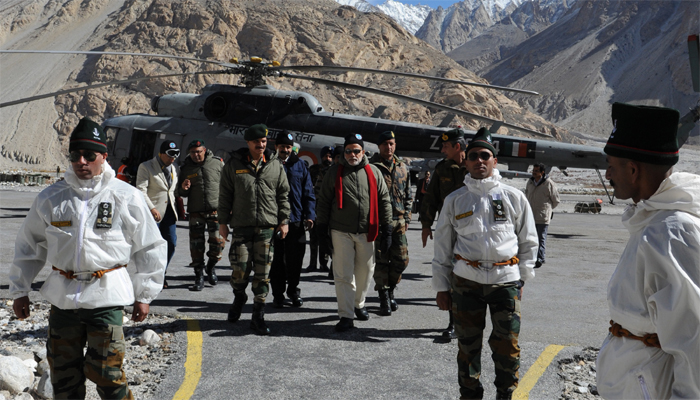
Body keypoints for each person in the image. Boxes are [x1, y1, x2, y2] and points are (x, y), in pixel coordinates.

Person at [10, 117, 166, 400]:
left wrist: (145, 294)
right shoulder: (51, 198)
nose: (81, 161)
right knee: (63, 375)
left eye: (89, 155)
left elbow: (150, 246)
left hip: (105, 299)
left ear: (103, 156)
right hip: (63, 300)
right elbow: (29, 245)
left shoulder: (126, 196)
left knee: (107, 373)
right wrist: (20, 290)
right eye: (74, 155)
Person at [596, 103, 700, 399]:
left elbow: (694, 339)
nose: (607, 175)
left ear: (632, 169)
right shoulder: (653, 220)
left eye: (611, 166)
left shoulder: (671, 232)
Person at [432, 127, 537, 400]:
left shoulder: (514, 197)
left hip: (505, 283)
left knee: (508, 346)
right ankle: (469, 394)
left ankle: (506, 395)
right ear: (465, 161)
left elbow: (528, 240)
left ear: (494, 161)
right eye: (474, 156)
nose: (480, 161)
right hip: (466, 282)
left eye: (485, 156)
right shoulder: (456, 200)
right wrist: (442, 287)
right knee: (468, 346)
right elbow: (442, 246)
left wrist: (521, 277)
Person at [218, 124, 290, 336]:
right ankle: (239, 295)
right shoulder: (234, 165)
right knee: (239, 270)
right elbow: (225, 196)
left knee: (263, 274)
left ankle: (258, 315)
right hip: (241, 226)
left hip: (267, 228)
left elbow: (283, 194)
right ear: (248, 143)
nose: (261, 145)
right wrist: (222, 223)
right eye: (257, 142)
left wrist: (284, 220)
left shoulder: (275, 165)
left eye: (264, 142)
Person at [316, 133, 392, 332]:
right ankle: (346, 315)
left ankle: (358, 303)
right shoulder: (334, 172)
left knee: (366, 272)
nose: (352, 154)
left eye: (356, 150)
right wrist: (321, 228)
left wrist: (388, 228)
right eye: (348, 151)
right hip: (340, 230)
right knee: (343, 274)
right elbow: (323, 201)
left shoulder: (374, 172)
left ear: (363, 152)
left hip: (367, 232)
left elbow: (384, 200)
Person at [420, 127, 468, 339]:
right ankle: (452, 322)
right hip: (448, 230)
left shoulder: (472, 167)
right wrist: (425, 225)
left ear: (458, 147)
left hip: (470, 232)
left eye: (446, 146)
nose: (442, 150)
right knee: (449, 272)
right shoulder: (441, 169)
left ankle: (467, 322)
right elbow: (431, 198)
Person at [269, 131, 316, 308]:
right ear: (276, 147)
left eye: (288, 147)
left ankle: (293, 291)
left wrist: (310, 215)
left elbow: (308, 193)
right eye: (282, 147)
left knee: (296, 260)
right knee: (277, 261)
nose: (285, 150)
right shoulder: (270, 165)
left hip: (296, 221)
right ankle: (278, 294)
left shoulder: (300, 166)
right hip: (275, 221)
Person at [369, 131, 412, 316]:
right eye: (386, 143)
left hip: (399, 221)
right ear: (379, 146)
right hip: (380, 222)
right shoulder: (372, 168)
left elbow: (408, 194)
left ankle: (391, 287)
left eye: (392, 143)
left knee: (401, 260)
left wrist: (408, 217)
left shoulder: (402, 167)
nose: (389, 147)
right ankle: (384, 297)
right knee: (381, 261)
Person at [178, 139, 225, 291]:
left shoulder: (217, 164)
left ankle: (211, 267)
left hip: (215, 210)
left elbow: (228, 185)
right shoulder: (186, 168)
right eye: (193, 152)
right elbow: (180, 191)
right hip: (196, 211)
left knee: (218, 243)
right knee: (196, 246)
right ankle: (199, 276)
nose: (196, 155)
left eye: (199, 151)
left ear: (205, 150)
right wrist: (184, 188)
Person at [136, 140, 180, 287]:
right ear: (161, 154)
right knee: (151, 246)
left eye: (176, 154)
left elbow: (171, 190)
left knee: (171, 244)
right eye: (170, 154)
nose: (173, 158)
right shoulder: (146, 167)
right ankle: (150, 276)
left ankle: (161, 273)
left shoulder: (174, 168)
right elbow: (141, 190)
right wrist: (151, 208)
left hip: (169, 213)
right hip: (153, 214)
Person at [524, 163, 560, 268]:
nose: (534, 172)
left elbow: (556, 201)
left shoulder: (549, 184)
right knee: (530, 238)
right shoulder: (530, 182)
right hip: (530, 216)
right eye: (533, 170)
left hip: (542, 217)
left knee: (540, 238)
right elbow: (526, 196)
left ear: (542, 172)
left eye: (536, 171)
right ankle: (532, 257)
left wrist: (547, 210)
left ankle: (540, 258)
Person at [307, 146, 334, 273]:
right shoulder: (313, 170)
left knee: (325, 238)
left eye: (329, 156)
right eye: (325, 156)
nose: (327, 159)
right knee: (313, 238)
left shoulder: (333, 171)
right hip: (314, 208)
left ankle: (324, 264)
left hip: (326, 210)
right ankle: (312, 263)